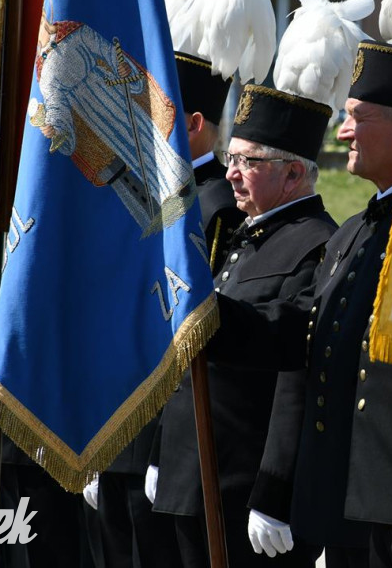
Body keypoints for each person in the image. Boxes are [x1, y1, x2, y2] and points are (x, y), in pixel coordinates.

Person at [86, 0, 251, 568]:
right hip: (118, 438)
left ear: (194, 124)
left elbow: (183, 340)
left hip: (162, 448)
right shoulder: (151, 195)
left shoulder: (215, 210)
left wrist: (153, 451)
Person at [249, 39, 392, 568]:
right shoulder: (356, 231)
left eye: (356, 117)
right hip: (348, 505)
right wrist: (205, 314)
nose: (342, 131)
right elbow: (299, 334)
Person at [148, 82, 337, 568]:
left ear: (293, 173)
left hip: (241, 483)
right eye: (230, 159)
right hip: (192, 473)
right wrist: (160, 451)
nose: (230, 174)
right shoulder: (243, 237)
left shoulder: (317, 244)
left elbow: (296, 368)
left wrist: (273, 488)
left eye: (247, 162)